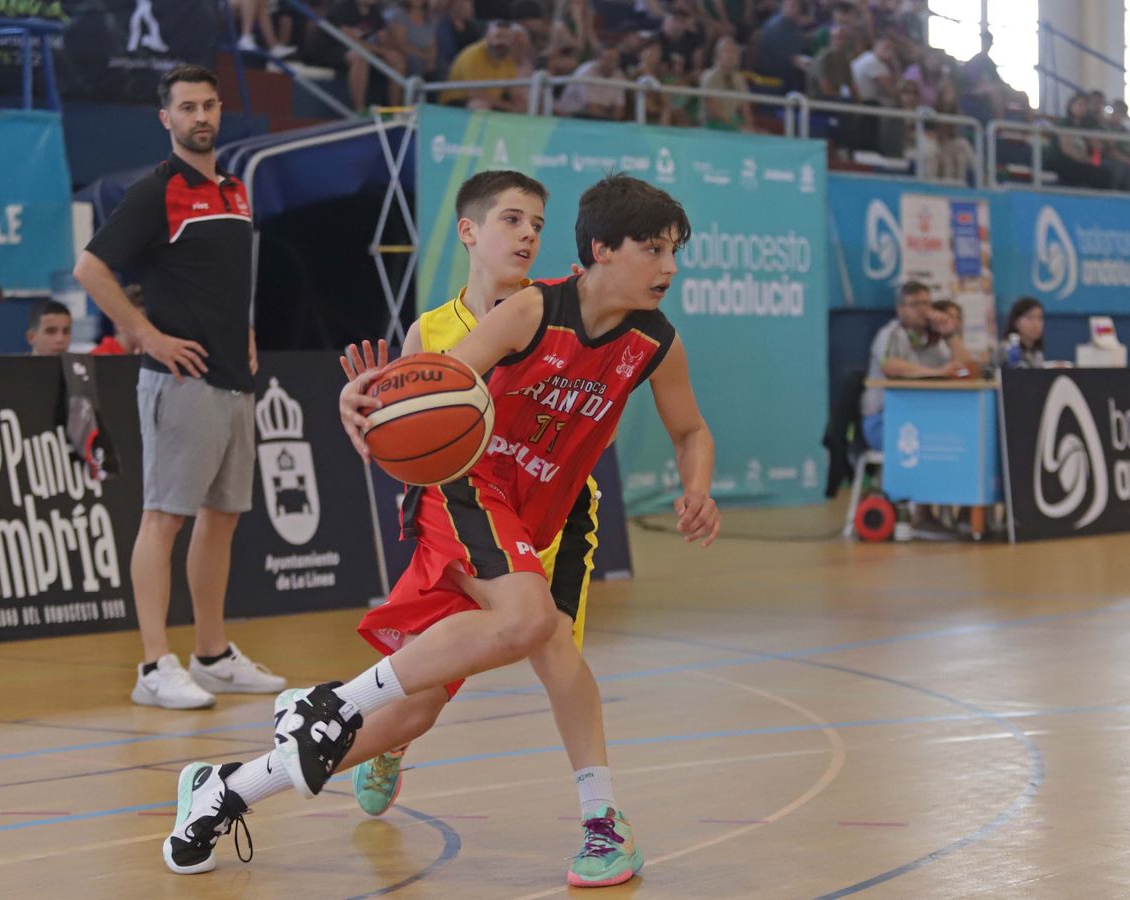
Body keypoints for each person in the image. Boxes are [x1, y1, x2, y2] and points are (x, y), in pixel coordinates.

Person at [161, 175, 720, 887]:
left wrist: (695, 486)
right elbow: (430, 389)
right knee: (532, 623)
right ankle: (597, 815)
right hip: (469, 489)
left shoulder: (654, 342)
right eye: (654, 249)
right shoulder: (528, 312)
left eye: (674, 251)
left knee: (417, 710)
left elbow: (692, 429)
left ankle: (223, 789)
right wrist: (357, 400)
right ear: (603, 250)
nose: (669, 267)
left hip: (545, 516)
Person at [335, 172, 633, 881]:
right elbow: (402, 435)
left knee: (558, 656)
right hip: (461, 516)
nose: (528, 233)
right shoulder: (431, 332)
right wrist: (360, 410)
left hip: (552, 514)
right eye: (511, 219)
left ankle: (602, 819)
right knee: (428, 687)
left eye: (537, 222)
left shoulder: (563, 306)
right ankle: (385, 742)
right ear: (469, 232)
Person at [72, 65, 284, 710]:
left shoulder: (237, 190)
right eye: (188, 107)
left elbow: (218, 276)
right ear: (165, 118)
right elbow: (91, 267)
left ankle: (212, 655)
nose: (201, 117)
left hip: (234, 378)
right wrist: (145, 334)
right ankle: (152, 665)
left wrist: (242, 327)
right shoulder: (155, 190)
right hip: (179, 380)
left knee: (222, 519)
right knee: (164, 519)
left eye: (210, 106)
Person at [859, 281, 961, 449]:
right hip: (883, 420)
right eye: (915, 304)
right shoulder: (891, 333)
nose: (923, 309)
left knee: (955, 433)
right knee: (935, 440)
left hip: (921, 415)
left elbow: (964, 367)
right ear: (900, 309)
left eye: (926, 303)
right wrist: (936, 372)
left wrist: (950, 335)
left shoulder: (935, 337)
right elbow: (890, 366)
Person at [700, 35, 755, 131]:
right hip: (714, 124)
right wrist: (737, 128)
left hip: (734, 121)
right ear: (718, 55)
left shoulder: (739, 79)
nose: (731, 55)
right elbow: (714, 111)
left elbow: (746, 108)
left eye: (734, 52)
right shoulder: (709, 76)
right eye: (727, 51)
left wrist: (749, 126)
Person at [92, 285, 145, 356]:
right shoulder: (100, 357)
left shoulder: (145, 355)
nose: (146, 329)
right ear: (118, 322)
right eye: (138, 322)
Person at [1002, 296, 1046, 368]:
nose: (1036, 324)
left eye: (1040, 318)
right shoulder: (1006, 350)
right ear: (1016, 322)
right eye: (1030, 318)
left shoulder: (1037, 353)